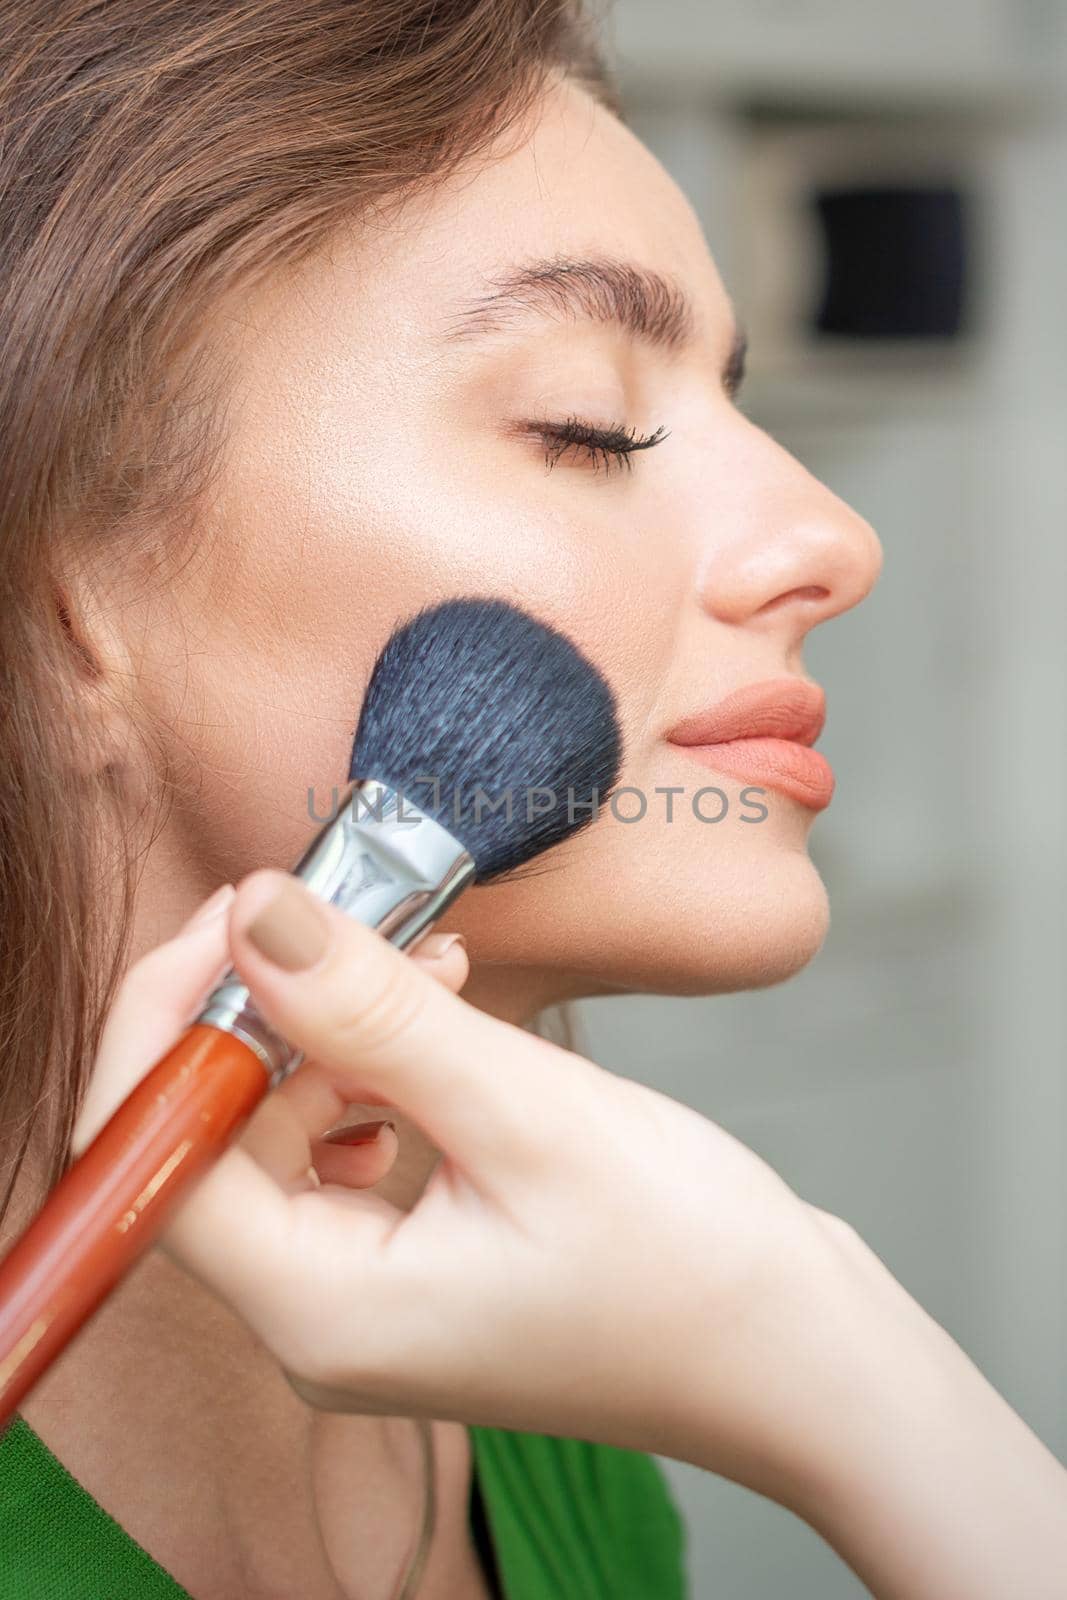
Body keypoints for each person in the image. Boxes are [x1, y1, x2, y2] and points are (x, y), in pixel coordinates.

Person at [1, 3, 1064, 1598]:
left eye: (738, 398)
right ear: (62, 603)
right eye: (588, 425)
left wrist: (823, 1353)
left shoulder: (555, 1418)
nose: (833, 535)